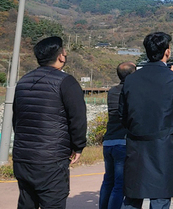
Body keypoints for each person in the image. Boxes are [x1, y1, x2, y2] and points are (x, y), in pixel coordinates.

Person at [12, 36, 87, 209]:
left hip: (22, 158)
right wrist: (78, 146)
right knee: (53, 203)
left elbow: (18, 119)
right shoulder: (66, 82)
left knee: (27, 203)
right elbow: (77, 119)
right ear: (61, 56)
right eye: (64, 52)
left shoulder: (23, 82)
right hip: (51, 160)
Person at [119, 32, 173, 209]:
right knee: (160, 198)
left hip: (136, 145)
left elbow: (123, 114)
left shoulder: (130, 80)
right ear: (167, 52)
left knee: (132, 198)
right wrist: (166, 122)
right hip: (164, 145)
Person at [99, 62, 136, 209]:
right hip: (123, 142)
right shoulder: (130, 91)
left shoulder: (112, 91)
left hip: (108, 141)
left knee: (108, 181)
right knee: (119, 185)